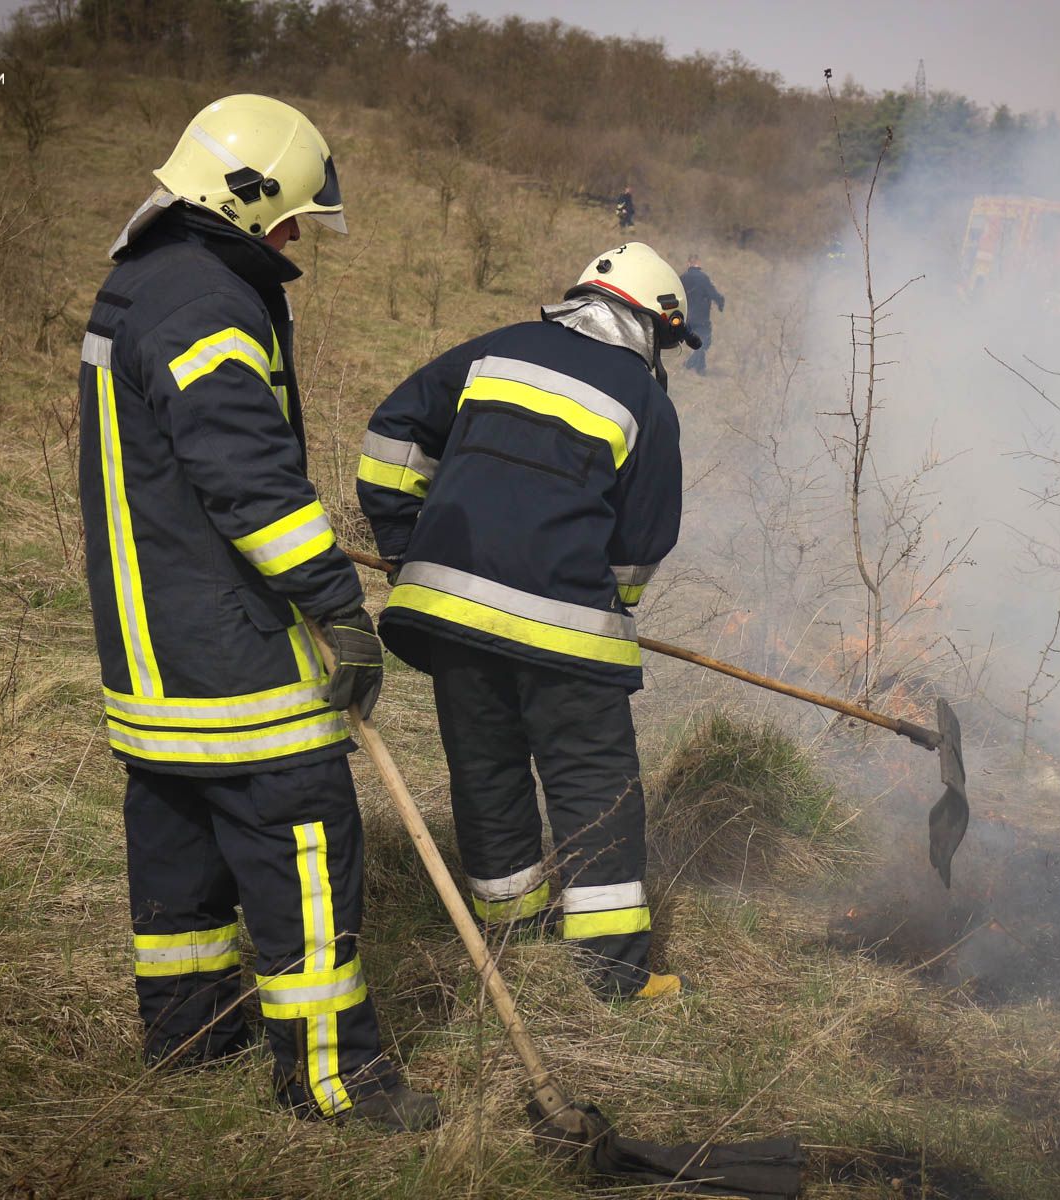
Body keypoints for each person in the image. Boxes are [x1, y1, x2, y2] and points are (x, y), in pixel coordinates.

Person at [77, 94, 438, 1131]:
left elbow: (183, 472)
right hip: (228, 653)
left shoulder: (144, 280)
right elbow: (248, 481)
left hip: (149, 660)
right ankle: (334, 1080)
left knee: (180, 850)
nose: (292, 240)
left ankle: (190, 1037)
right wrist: (340, 610)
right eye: (289, 220)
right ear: (243, 200)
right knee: (306, 845)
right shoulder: (203, 302)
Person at [356, 243, 691, 1000]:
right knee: (593, 783)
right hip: (565, 629)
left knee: (486, 764)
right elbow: (640, 546)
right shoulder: (646, 403)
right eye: (668, 338)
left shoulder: (495, 350)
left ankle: (511, 930)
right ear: (651, 322)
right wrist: (610, 609)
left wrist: (407, 547)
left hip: (446, 611)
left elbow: (391, 435)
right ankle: (610, 975)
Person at [679, 254, 725, 374]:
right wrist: (720, 302)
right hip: (701, 318)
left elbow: (677, 295)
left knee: (700, 342)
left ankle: (700, 368)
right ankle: (690, 364)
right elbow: (712, 293)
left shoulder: (682, 278)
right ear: (699, 263)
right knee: (704, 343)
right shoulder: (703, 278)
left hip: (688, 318)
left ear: (688, 263)